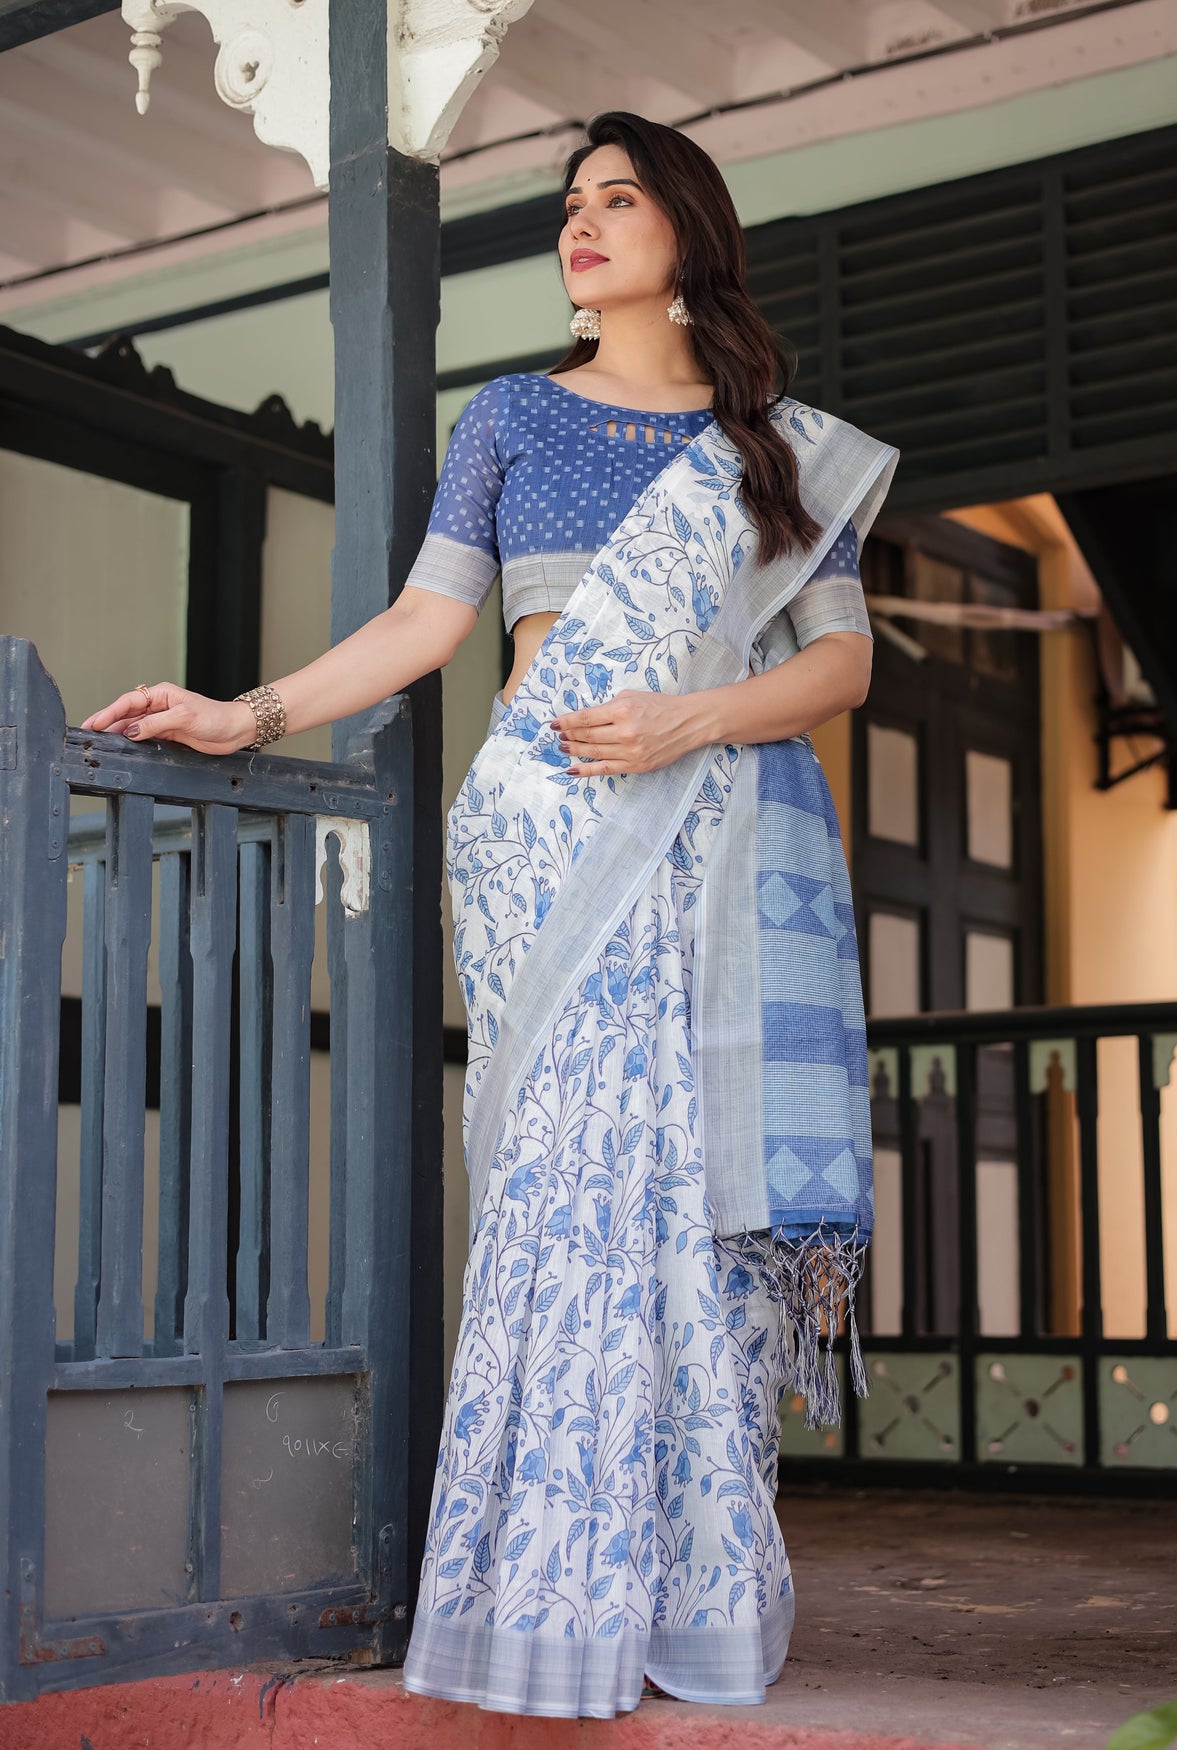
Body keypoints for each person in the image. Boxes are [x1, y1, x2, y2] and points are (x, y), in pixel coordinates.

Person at [82, 111, 897, 1721]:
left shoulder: (775, 447)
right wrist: (247, 715)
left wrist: (687, 718)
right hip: (541, 835)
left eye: (618, 199)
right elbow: (420, 620)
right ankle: (543, 1589)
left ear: (689, 233)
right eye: (570, 205)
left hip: (711, 838)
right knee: (564, 1191)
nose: (582, 226)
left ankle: (689, 1584)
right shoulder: (514, 414)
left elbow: (841, 665)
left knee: (688, 1201)